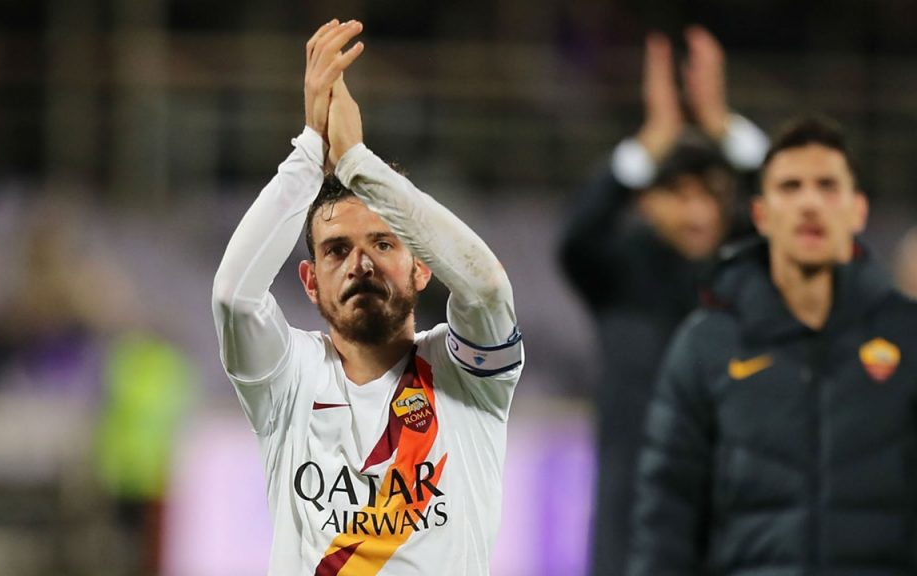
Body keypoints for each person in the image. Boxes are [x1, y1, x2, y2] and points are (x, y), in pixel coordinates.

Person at [211, 19, 523, 575]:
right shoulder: (289, 380)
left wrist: (356, 161)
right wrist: (310, 150)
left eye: (383, 243)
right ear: (310, 281)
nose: (361, 263)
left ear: (422, 267)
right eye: (337, 250)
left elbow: (487, 286)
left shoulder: (466, 377)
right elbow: (235, 298)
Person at [629, 115, 917, 575]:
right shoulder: (707, 345)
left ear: (858, 210)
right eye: (790, 187)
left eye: (827, 186)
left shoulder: (907, 335)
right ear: (761, 215)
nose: (810, 203)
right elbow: (666, 515)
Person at [557, 26, 768, 576]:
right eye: (679, 194)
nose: (697, 211)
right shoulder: (619, 271)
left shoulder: (747, 272)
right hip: (632, 526)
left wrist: (724, 128)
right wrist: (648, 145)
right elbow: (576, 236)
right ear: (647, 201)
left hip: (729, 522)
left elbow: (791, 216)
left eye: (710, 194)